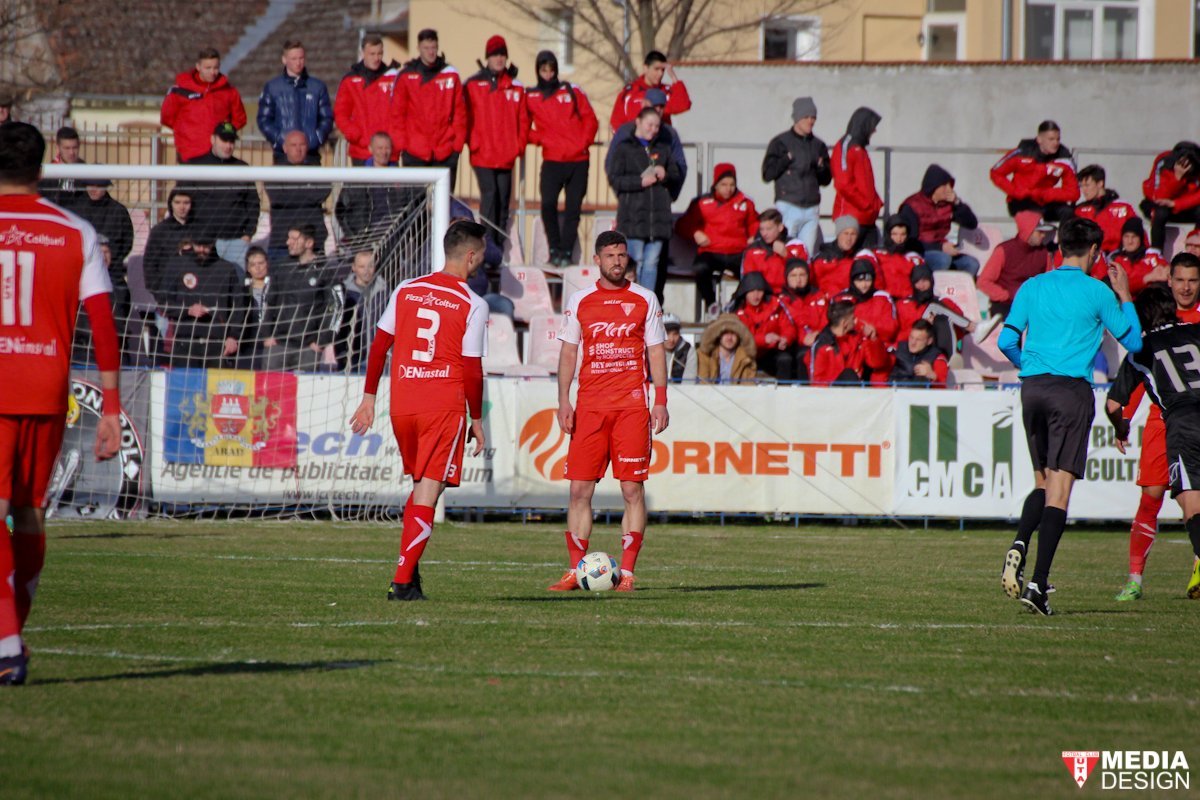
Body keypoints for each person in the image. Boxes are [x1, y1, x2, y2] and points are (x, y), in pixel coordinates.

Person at [0, 123, 122, 685]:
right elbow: (102, 322)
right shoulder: (75, 230)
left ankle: (7, 644)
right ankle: (10, 637)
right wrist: (113, 409)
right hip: (48, 388)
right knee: (28, 510)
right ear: (43, 170)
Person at [997, 217, 1144, 616]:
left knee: (1042, 482)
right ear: (1095, 252)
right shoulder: (1098, 292)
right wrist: (1125, 294)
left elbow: (1005, 339)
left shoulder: (1032, 286)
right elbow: (1133, 341)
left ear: (1060, 246)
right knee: (1060, 492)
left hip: (1032, 389)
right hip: (1070, 391)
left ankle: (1020, 542)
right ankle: (1038, 585)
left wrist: (1029, 365)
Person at [349, 220, 490, 601]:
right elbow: (471, 369)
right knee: (430, 492)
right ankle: (401, 582)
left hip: (403, 404)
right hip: (441, 406)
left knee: (422, 489)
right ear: (472, 256)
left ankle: (410, 579)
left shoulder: (407, 288)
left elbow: (379, 345)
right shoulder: (473, 303)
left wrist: (368, 398)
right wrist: (477, 419)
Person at [548, 230, 668, 593]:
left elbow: (657, 352)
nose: (617, 261)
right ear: (597, 260)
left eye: (622, 255)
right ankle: (574, 570)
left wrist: (660, 399)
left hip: (631, 407)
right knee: (578, 491)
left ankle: (627, 573)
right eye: (610, 255)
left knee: (632, 489)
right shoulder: (581, 300)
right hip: (590, 408)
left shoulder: (645, 298)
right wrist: (564, 400)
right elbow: (569, 353)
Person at [1105, 253, 1200, 601]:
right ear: (1170, 282)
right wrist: (1127, 418)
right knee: (1152, 497)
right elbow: (1138, 378)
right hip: (1164, 422)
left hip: (1182, 420)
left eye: (1193, 280)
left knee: (1194, 500)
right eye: (1181, 280)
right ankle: (1134, 580)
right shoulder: (1167, 326)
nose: (1186, 287)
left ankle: (1197, 571)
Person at [527, 50, 598, 267]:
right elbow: (522, 128)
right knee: (547, 205)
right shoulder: (530, 95)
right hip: (552, 160)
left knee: (573, 208)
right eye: (543, 70)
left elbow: (590, 119)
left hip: (578, 160)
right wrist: (544, 139)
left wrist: (582, 142)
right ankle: (554, 248)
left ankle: (566, 252)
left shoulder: (572, 90)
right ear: (538, 71)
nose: (548, 74)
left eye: (551, 70)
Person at [606, 107, 678, 299]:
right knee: (634, 260)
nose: (653, 129)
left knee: (652, 262)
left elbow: (676, 175)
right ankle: (630, 299)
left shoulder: (663, 148)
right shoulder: (624, 148)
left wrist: (666, 174)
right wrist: (639, 181)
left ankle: (647, 302)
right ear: (638, 122)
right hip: (633, 216)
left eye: (657, 126)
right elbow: (615, 179)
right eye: (650, 124)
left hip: (658, 218)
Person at [464, 35, 528, 243]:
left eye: (502, 54)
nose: (498, 59)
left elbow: (523, 119)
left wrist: (518, 146)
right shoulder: (473, 84)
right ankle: (486, 242)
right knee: (489, 196)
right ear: (487, 57)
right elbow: (463, 115)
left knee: (503, 202)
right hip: (483, 154)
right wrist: (472, 142)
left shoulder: (515, 86)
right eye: (494, 54)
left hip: (506, 155)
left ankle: (499, 246)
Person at [392, 28, 467, 191]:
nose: (431, 52)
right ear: (418, 48)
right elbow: (397, 115)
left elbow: (460, 115)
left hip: (445, 151)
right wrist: (403, 146)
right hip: (414, 151)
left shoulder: (450, 74)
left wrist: (456, 147)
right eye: (426, 48)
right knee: (415, 206)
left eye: (434, 47)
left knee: (445, 204)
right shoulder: (406, 76)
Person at [180, 122, 260, 271]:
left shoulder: (242, 168)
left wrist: (248, 234)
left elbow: (253, 204)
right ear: (212, 139)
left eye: (231, 141)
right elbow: (179, 201)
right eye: (224, 140)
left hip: (236, 242)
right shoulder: (194, 166)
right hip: (201, 243)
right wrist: (187, 236)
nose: (228, 145)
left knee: (237, 284)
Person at [676, 163, 758, 308]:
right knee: (700, 268)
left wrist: (753, 235)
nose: (728, 189)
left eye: (732, 184)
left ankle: (734, 304)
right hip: (711, 251)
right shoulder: (702, 202)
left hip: (738, 251)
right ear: (716, 184)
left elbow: (755, 223)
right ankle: (712, 304)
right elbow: (682, 225)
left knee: (753, 273)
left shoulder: (746, 202)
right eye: (724, 184)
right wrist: (695, 233)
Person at [157, 228, 241, 368]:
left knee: (216, 389)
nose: (202, 249)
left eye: (206, 246)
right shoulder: (177, 265)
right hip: (186, 340)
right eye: (198, 245)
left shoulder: (227, 269)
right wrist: (187, 310)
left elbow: (238, 306)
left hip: (217, 342)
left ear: (213, 243)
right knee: (185, 387)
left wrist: (233, 336)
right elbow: (163, 301)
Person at [761, 96, 830, 259]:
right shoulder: (780, 142)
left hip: (811, 208)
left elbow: (826, 180)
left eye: (813, 117)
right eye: (806, 117)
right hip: (787, 206)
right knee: (784, 252)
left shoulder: (818, 145)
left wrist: (821, 167)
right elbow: (767, 174)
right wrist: (785, 159)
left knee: (806, 255)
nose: (811, 121)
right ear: (797, 118)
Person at [264, 224, 337, 371]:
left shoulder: (324, 270)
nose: (288, 242)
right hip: (278, 344)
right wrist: (266, 334)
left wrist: (322, 340)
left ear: (309, 243)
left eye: (294, 239)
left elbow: (334, 308)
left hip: (309, 347)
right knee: (269, 393)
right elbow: (267, 302)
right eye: (288, 238)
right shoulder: (281, 267)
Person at [160, 47, 247, 164]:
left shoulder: (229, 91)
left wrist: (224, 135)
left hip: (216, 155)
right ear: (198, 67)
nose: (212, 72)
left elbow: (240, 119)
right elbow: (167, 118)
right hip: (189, 154)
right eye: (208, 68)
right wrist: (186, 133)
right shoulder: (180, 89)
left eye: (216, 68)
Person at [256, 40, 333, 165]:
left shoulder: (317, 87)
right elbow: (264, 119)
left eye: (301, 58)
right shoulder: (273, 87)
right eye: (293, 58)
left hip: (311, 154)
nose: (298, 62)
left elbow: (327, 118)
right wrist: (280, 140)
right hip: (283, 154)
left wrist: (316, 138)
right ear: (284, 60)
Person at [605, 87, 687, 202]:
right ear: (644, 104)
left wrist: (670, 195)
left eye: (661, 107)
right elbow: (612, 165)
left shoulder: (669, 134)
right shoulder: (625, 131)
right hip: (631, 202)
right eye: (654, 106)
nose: (658, 110)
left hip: (658, 202)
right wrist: (622, 196)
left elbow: (680, 165)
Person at [990, 120, 1079, 225]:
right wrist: (1014, 191)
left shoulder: (1064, 158)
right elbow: (995, 172)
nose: (1055, 143)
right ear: (1039, 139)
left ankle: (1065, 240)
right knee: (1035, 217)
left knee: (1068, 212)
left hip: (1046, 199)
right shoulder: (1022, 152)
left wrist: (1047, 194)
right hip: (1021, 200)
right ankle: (1030, 240)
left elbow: (1073, 192)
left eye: (1058, 139)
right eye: (1051, 139)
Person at [333, 35, 403, 166]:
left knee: (389, 187)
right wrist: (355, 135)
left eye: (380, 53)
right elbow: (341, 114)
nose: (376, 58)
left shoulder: (393, 77)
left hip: (389, 152)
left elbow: (403, 111)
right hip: (362, 150)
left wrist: (396, 139)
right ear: (362, 53)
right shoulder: (350, 80)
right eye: (372, 54)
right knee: (362, 187)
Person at [898, 164, 979, 275]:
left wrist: (957, 203)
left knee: (971, 264)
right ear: (934, 187)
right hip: (920, 252)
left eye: (950, 185)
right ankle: (933, 290)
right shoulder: (912, 206)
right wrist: (940, 247)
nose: (949, 189)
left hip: (942, 249)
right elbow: (910, 241)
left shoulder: (947, 204)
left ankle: (957, 290)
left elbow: (972, 223)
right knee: (943, 259)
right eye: (945, 186)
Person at [335, 132, 415, 246]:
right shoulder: (356, 178)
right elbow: (340, 210)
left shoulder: (400, 179)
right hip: (363, 240)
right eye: (380, 148)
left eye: (387, 148)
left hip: (393, 240)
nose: (384, 152)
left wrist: (404, 236)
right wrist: (353, 237)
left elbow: (410, 210)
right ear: (370, 149)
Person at [265, 130, 331, 257]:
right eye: (293, 145)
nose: (298, 149)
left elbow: (322, 194)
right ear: (285, 148)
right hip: (282, 243)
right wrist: (307, 191)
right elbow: (277, 197)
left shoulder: (318, 171)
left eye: (302, 145)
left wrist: (290, 192)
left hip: (314, 242)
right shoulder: (273, 172)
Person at [977, 215, 1054, 318]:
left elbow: (1048, 282)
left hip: (1032, 305)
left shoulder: (1044, 253)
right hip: (1006, 305)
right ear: (1028, 231)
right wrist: (1005, 295)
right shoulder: (1004, 250)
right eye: (1040, 232)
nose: (1043, 235)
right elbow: (983, 282)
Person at [732, 271, 800, 381]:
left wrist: (786, 338)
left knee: (785, 359)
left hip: (771, 352)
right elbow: (742, 338)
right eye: (752, 291)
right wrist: (764, 339)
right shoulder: (738, 312)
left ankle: (785, 393)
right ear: (745, 292)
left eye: (759, 291)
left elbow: (788, 326)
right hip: (746, 353)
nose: (756, 295)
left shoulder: (775, 306)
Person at [830, 107, 883, 247]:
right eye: (872, 126)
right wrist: (866, 204)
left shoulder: (860, 148)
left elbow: (866, 182)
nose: (874, 131)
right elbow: (843, 184)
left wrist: (875, 203)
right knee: (850, 261)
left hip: (867, 217)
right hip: (852, 218)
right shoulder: (847, 146)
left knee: (868, 260)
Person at [894, 262, 972, 356]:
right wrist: (923, 327)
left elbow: (958, 331)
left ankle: (946, 357)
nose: (921, 286)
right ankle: (974, 327)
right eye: (917, 282)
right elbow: (896, 335)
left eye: (924, 281)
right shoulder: (903, 305)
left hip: (938, 348)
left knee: (940, 319)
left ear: (931, 281)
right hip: (909, 347)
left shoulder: (945, 302)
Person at [806, 299, 887, 386]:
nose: (856, 321)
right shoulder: (821, 345)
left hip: (856, 390)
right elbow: (816, 381)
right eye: (853, 318)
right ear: (845, 323)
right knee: (849, 375)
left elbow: (877, 363)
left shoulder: (858, 339)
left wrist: (873, 339)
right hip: (831, 394)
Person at [1140, 141, 1200, 251]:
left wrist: (1176, 204)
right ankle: (1156, 253)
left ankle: (1196, 245)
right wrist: (1177, 177)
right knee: (1160, 213)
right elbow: (1158, 196)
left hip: (1183, 205)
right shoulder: (1163, 162)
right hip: (1160, 203)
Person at [609, 50, 691, 130]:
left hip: (660, 141)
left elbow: (683, 104)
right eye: (656, 69)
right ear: (645, 68)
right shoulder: (631, 92)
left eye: (663, 70)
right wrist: (625, 140)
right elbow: (616, 121)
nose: (660, 74)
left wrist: (674, 78)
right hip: (635, 141)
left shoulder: (665, 91)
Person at [1092, 217, 1167, 297]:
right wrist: (1146, 278)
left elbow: (1165, 274)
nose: (1130, 241)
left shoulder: (1152, 257)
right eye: (1126, 237)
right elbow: (1119, 287)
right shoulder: (1116, 260)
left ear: (1140, 238)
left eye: (1134, 237)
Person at [740, 208, 808, 297]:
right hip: (764, 297)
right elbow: (749, 281)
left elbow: (807, 275)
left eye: (768, 229)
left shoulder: (796, 245)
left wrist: (786, 255)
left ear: (780, 227)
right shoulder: (752, 250)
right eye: (761, 229)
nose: (764, 233)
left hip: (792, 295)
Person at [341, 250, 390, 370]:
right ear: (354, 268)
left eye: (370, 266)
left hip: (379, 356)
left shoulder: (385, 292)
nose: (366, 271)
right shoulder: (344, 293)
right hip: (350, 356)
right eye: (362, 267)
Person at [142, 188, 194, 298]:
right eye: (177, 202)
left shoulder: (201, 229)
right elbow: (150, 265)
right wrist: (159, 292)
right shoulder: (159, 231)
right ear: (171, 204)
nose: (182, 207)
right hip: (166, 295)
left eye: (186, 202)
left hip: (196, 292)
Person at [1074, 164, 1136, 254]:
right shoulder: (1079, 210)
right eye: (1081, 186)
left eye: (1087, 185)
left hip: (1119, 257)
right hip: (1090, 257)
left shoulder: (1123, 206)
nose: (1083, 190)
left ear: (1100, 183)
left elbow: (1139, 235)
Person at [72, 178, 133, 268]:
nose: (93, 189)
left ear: (105, 187)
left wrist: (111, 258)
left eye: (98, 186)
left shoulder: (118, 211)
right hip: (82, 268)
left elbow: (127, 241)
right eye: (90, 185)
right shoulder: (76, 210)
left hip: (111, 269)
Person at [232, 247, 275, 369]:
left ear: (267, 263)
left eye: (261, 263)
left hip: (271, 344)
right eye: (253, 264)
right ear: (248, 268)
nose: (258, 268)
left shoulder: (276, 288)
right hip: (248, 346)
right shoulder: (243, 291)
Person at [843, 257, 898, 353]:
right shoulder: (842, 298)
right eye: (859, 281)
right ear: (852, 280)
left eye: (868, 280)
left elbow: (890, 328)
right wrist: (862, 328)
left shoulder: (883, 297)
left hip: (878, 347)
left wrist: (874, 329)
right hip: (850, 348)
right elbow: (837, 326)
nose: (864, 285)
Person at [877, 319, 948, 387]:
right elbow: (879, 368)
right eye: (911, 337)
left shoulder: (937, 357)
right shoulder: (897, 349)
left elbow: (944, 386)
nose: (913, 343)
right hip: (894, 394)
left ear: (929, 341)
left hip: (920, 397)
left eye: (918, 339)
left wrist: (932, 375)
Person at [777, 259, 826, 352]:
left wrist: (818, 334)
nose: (798, 280)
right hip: (793, 344)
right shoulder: (781, 300)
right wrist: (803, 337)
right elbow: (787, 325)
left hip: (818, 338)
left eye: (802, 275)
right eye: (793, 276)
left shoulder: (818, 296)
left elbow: (826, 319)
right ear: (786, 278)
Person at [872, 214, 925, 296]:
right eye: (895, 234)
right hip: (883, 298)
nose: (899, 239)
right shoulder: (876, 255)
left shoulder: (914, 258)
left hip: (907, 299)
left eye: (903, 234)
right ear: (888, 234)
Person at [697, 314, 757, 384]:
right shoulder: (705, 355)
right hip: (710, 394)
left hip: (736, 394)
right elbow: (703, 384)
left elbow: (748, 387)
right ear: (718, 335)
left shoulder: (746, 359)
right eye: (725, 333)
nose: (729, 338)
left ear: (739, 336)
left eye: (733, 333)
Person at [811, 216, 863, 296]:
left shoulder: (860, 257)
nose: (849, 238)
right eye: (845, 233)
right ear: (838, 234)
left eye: (853, 234)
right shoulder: (823, 258)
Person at [38, 127, 85, 208]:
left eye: (75, 148)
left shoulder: (87, 172)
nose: (71, 152)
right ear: (57, 148)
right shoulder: (47, 175)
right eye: (67, 148)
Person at [663, 312, 697, 382]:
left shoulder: (688, 351)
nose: (671, 339)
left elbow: (689, 383)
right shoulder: (649, 351)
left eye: (675, 334)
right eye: (667, 334)